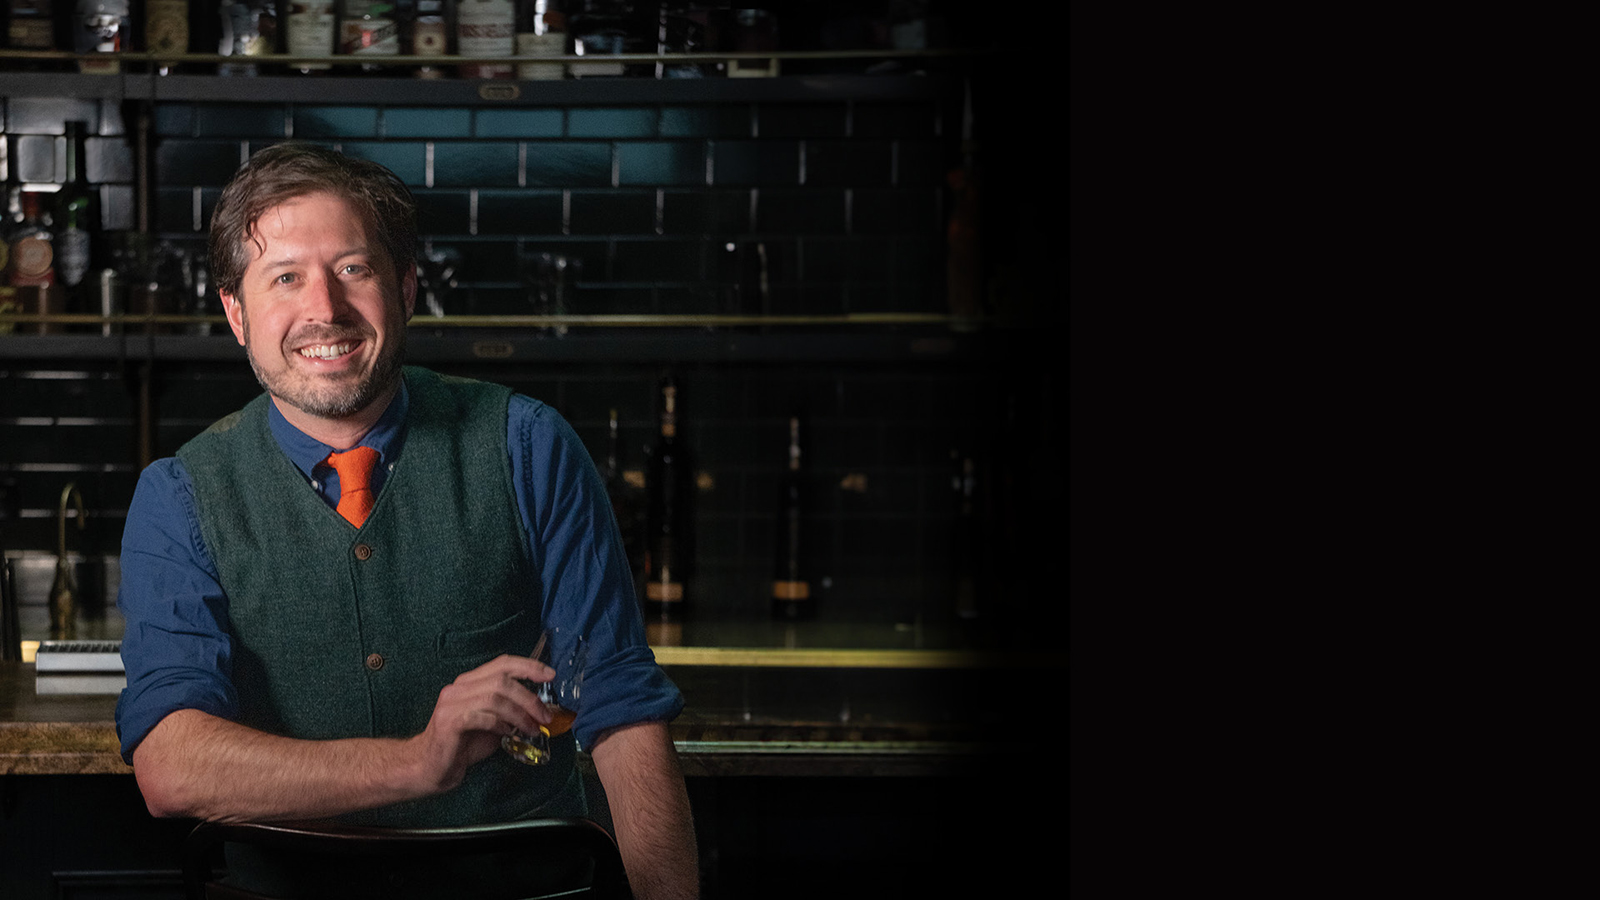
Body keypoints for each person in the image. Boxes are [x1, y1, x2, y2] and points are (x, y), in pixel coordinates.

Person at [114, 143, 699, 900]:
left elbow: (621, 711)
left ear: (406, 287)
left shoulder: (528, 446)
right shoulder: (180, 496)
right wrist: (420, 761)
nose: (324, 309)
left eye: (353, 268)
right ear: (236, 313)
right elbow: (172, 766)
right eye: (285, 277)